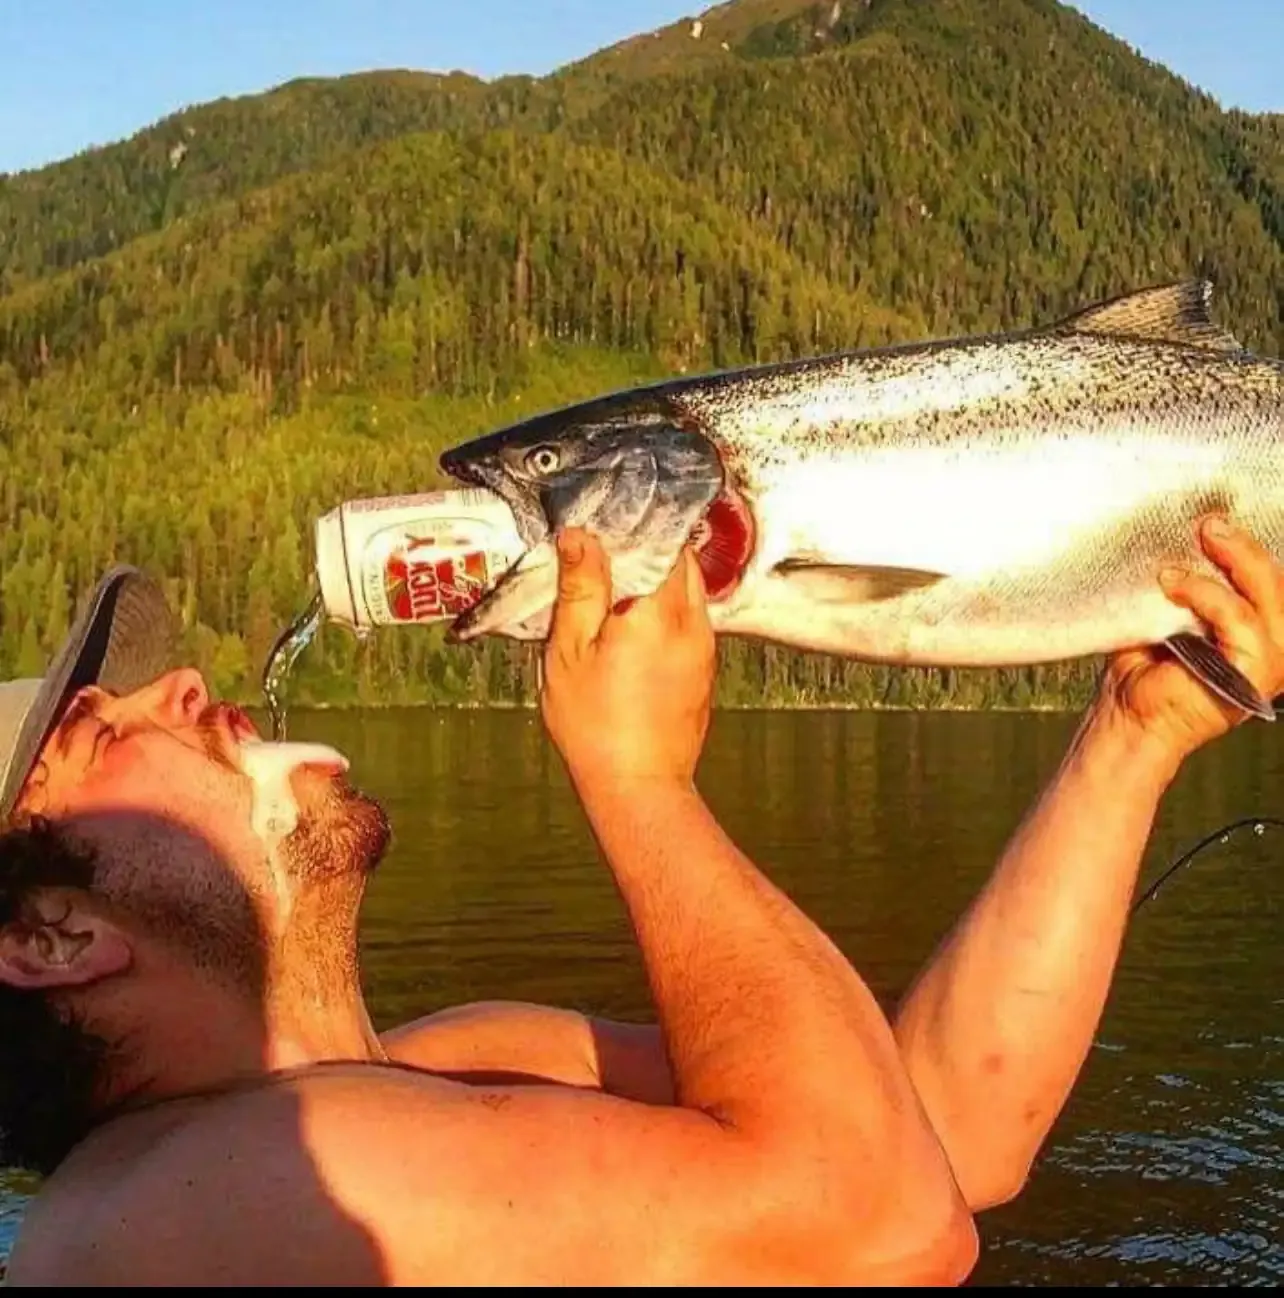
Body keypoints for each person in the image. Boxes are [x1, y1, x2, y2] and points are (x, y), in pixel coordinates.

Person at [0, 517, 1279, 1286]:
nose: (177, 682)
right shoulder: (162, 1206)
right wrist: (634, 774)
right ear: (54, 936)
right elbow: (887, 1233)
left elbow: (945, 1129)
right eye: (99, 732)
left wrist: (1136, 731)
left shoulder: (458, 1063)